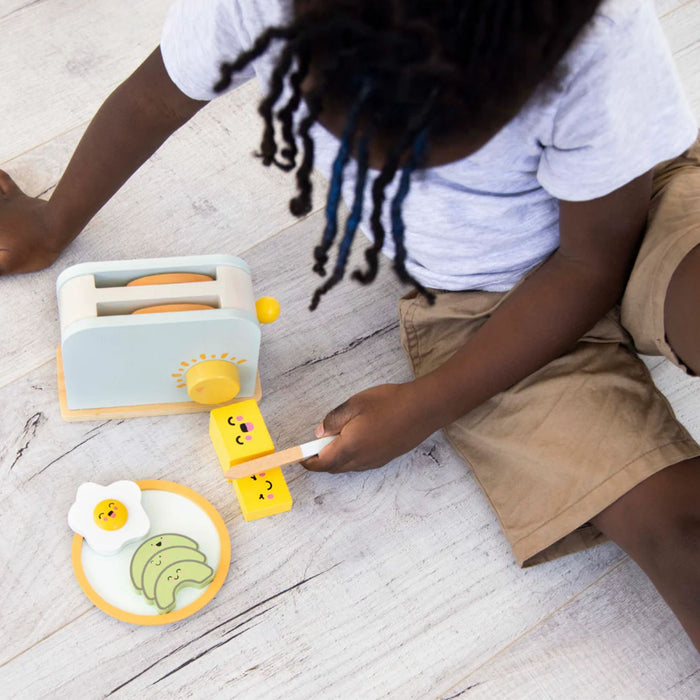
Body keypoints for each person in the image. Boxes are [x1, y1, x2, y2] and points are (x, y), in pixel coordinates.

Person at [0, 0, 698, 647]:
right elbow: (158, 93)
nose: (375, 163)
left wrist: (426, 405)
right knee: (674, 531)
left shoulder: (600, 43)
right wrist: (55, 219)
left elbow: (589, 263)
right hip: (473, 314)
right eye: (347, 130)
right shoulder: (261, 5)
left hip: (634, 206)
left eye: (417, 149)